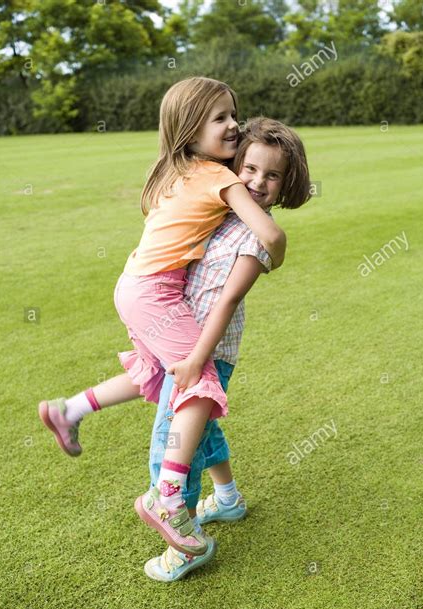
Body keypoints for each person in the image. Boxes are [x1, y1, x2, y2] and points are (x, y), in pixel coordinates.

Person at [38, 77, 286, 558]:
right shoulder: (220, 178)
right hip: (156, 292)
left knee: (155, 373)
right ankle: (167, 496)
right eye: (220, 118)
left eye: (233, 114)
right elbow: (268, 235)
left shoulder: (174, 170)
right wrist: (279, 248)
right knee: (197, 381)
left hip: (135, 285)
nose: (233, 124)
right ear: (190, 129)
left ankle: (71, 409)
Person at [144, 117, 311, 581]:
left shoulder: (256, 232)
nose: (257, 182)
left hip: (206, 350)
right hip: (185, 342)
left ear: (286, 183)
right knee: (204, 432)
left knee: (174, 447)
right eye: (250, 169)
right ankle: (229, 500)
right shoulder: (226, 212)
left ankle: (186, 542)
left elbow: (228, 297)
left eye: (272, 175)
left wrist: (197, 358)